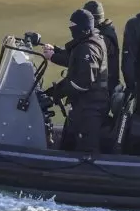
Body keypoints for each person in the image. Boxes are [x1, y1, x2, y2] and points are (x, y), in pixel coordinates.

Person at [41, 9, 109, 153]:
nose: (71, 29)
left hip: (90, 108)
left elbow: (81, 83)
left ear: (82, 28)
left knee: (87, 150)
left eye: (73, 26)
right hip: (82, 105)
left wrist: (54, 94)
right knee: (68, 141)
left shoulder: (89, 49)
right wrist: (55, 52)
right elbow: (74, 59)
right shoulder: (88, 42)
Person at [41, 0, 120, 95]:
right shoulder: (97, 35)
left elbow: (80, 61)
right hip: (96, 87)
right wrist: (56, 50)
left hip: (101, 91)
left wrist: (53, 57)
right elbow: (77, 54)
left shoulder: (102, 40)